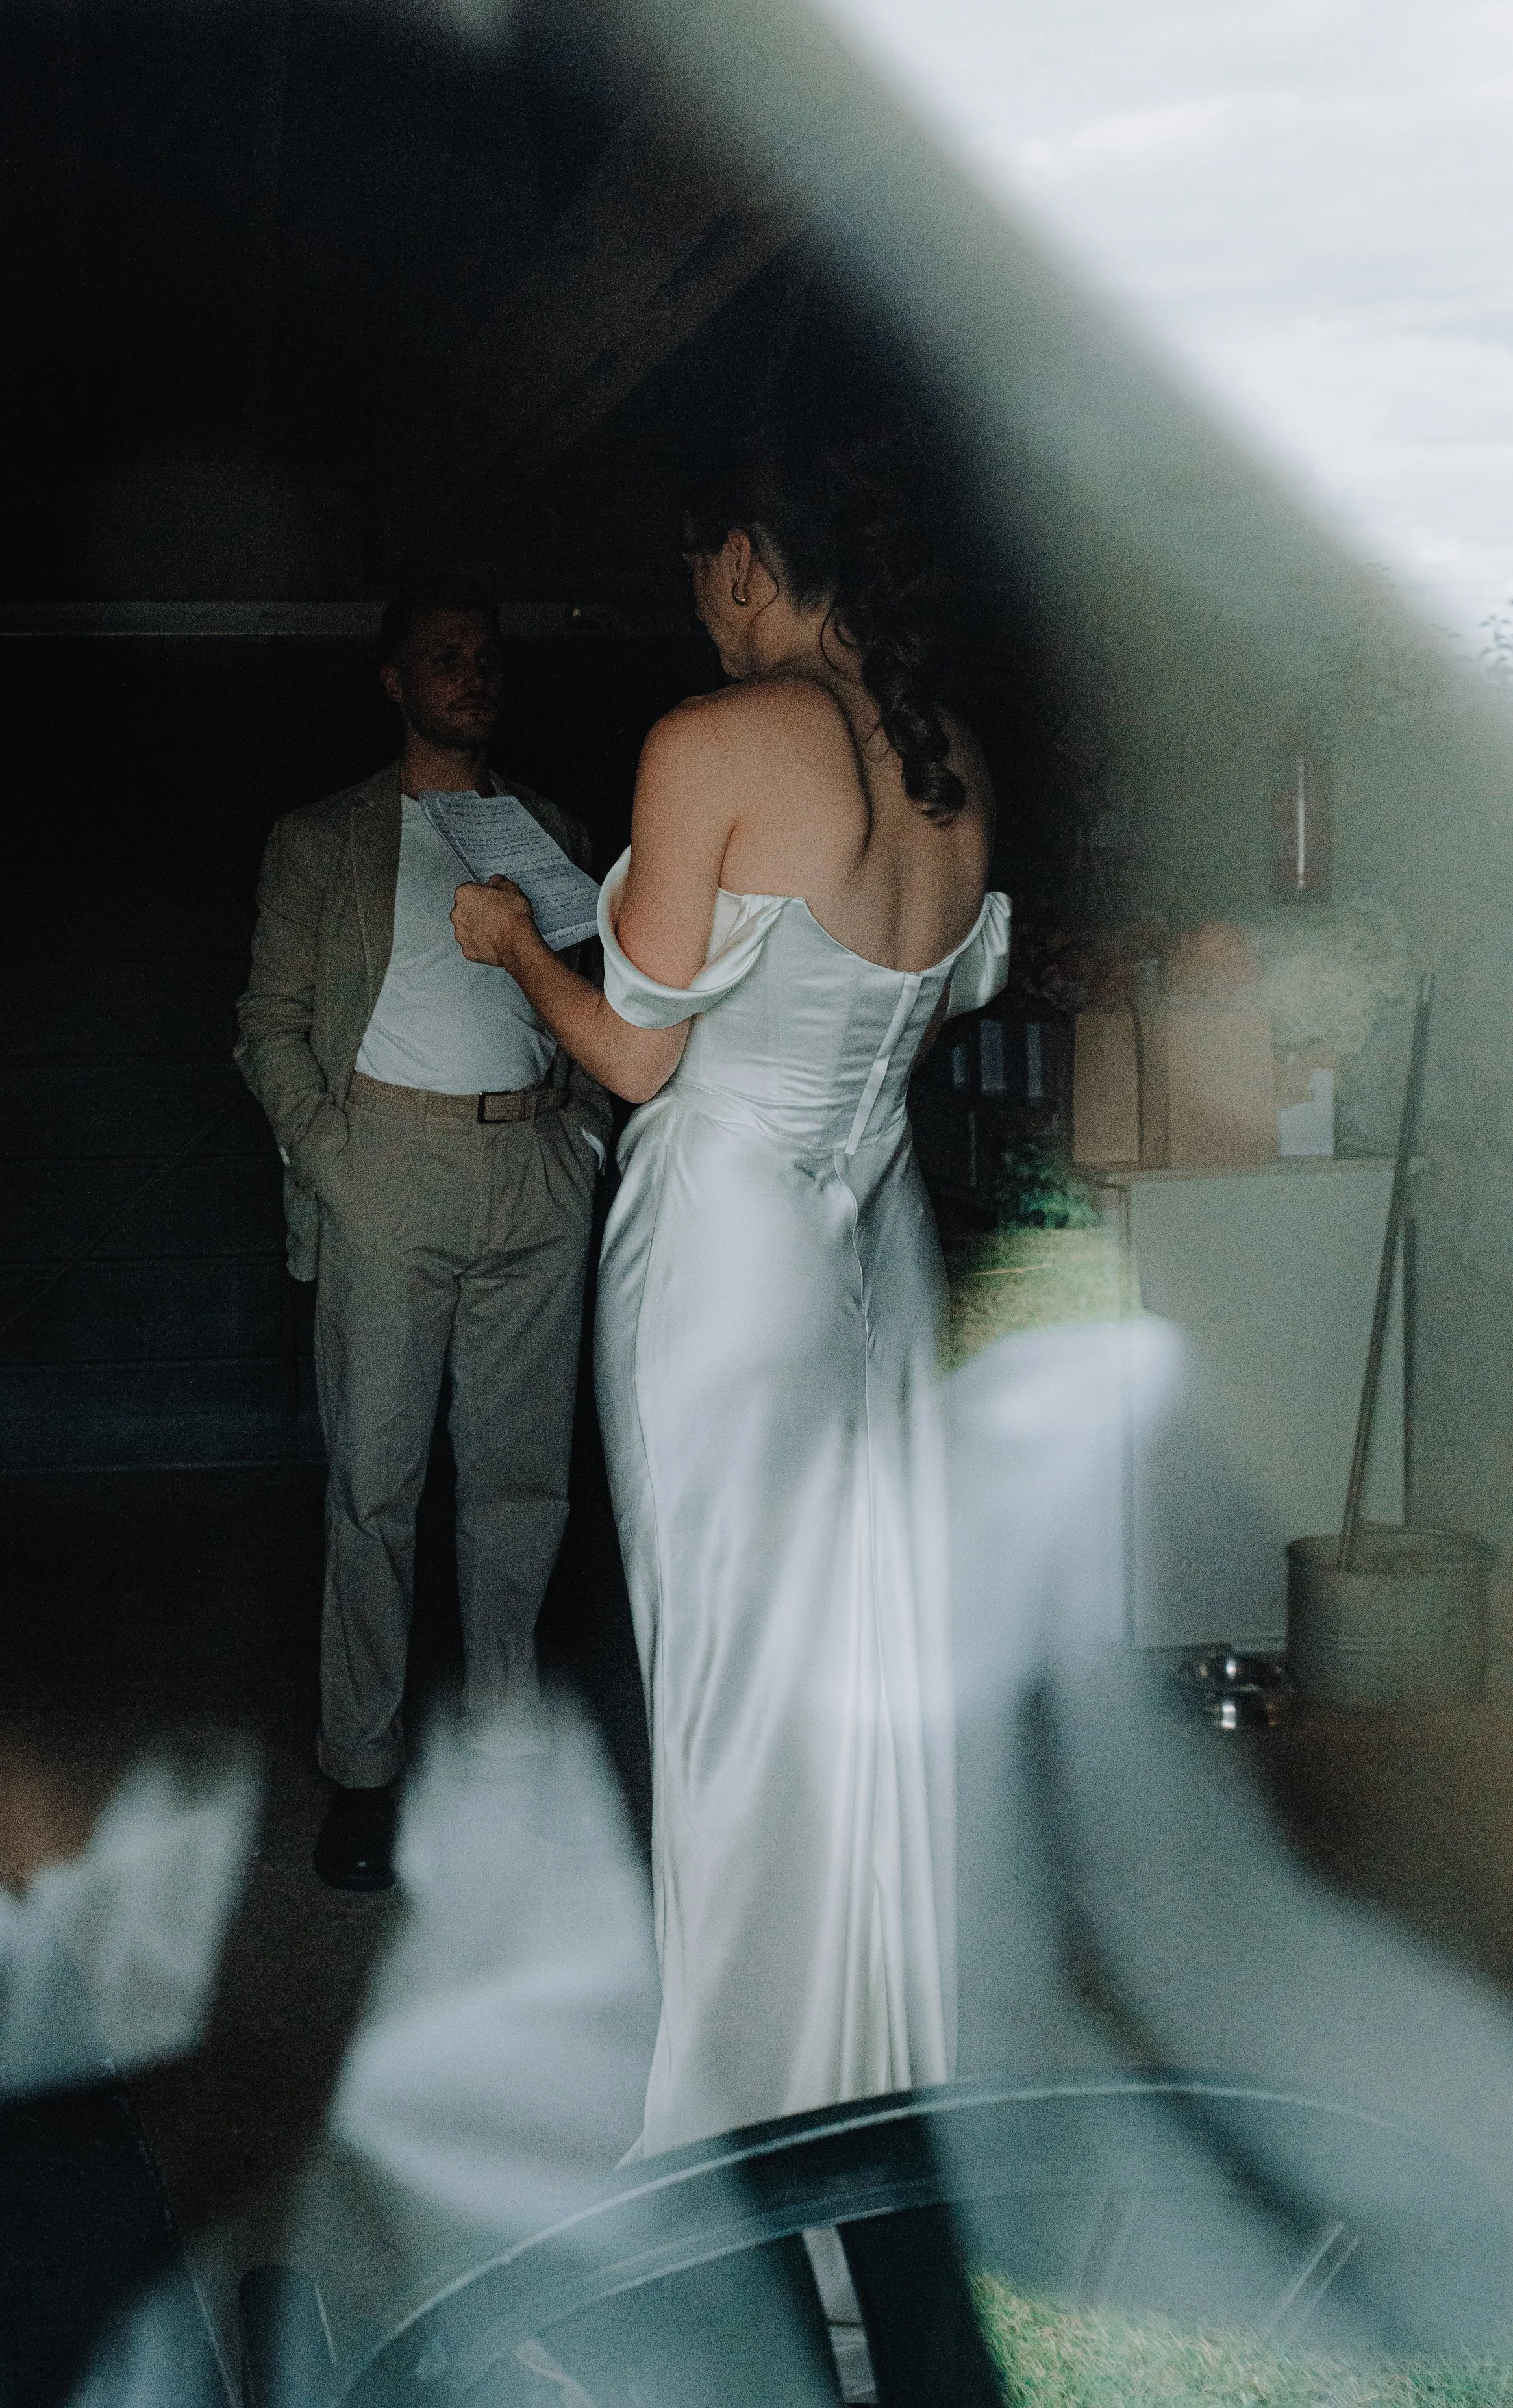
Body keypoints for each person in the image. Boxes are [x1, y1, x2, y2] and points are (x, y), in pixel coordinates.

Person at [451, 427, 1011, 2152]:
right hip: (867, 1229)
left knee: (729, 1676)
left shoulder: (711, 739)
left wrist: (515, 943)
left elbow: (633, 1053)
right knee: (856, 1662)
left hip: (723, 1243)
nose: (695, 605)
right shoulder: (952, 763)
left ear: (748, 562)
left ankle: (737, 2120)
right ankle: (863, 2063)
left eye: (699, 568)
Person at [235, 581, 612, 1892]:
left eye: (485, 655)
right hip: (384, 1173)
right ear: (393, 681)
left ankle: (505, 1768)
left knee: (521, 1489)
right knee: (376, 1489)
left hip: (533, 1171)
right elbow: (267, 1024)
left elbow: (593, 1007)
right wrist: (338, 1164)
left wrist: (578, 1142)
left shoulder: (548, 830)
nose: (471, 673)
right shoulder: (323, 838)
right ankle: (365, 1773)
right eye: (443, 658)